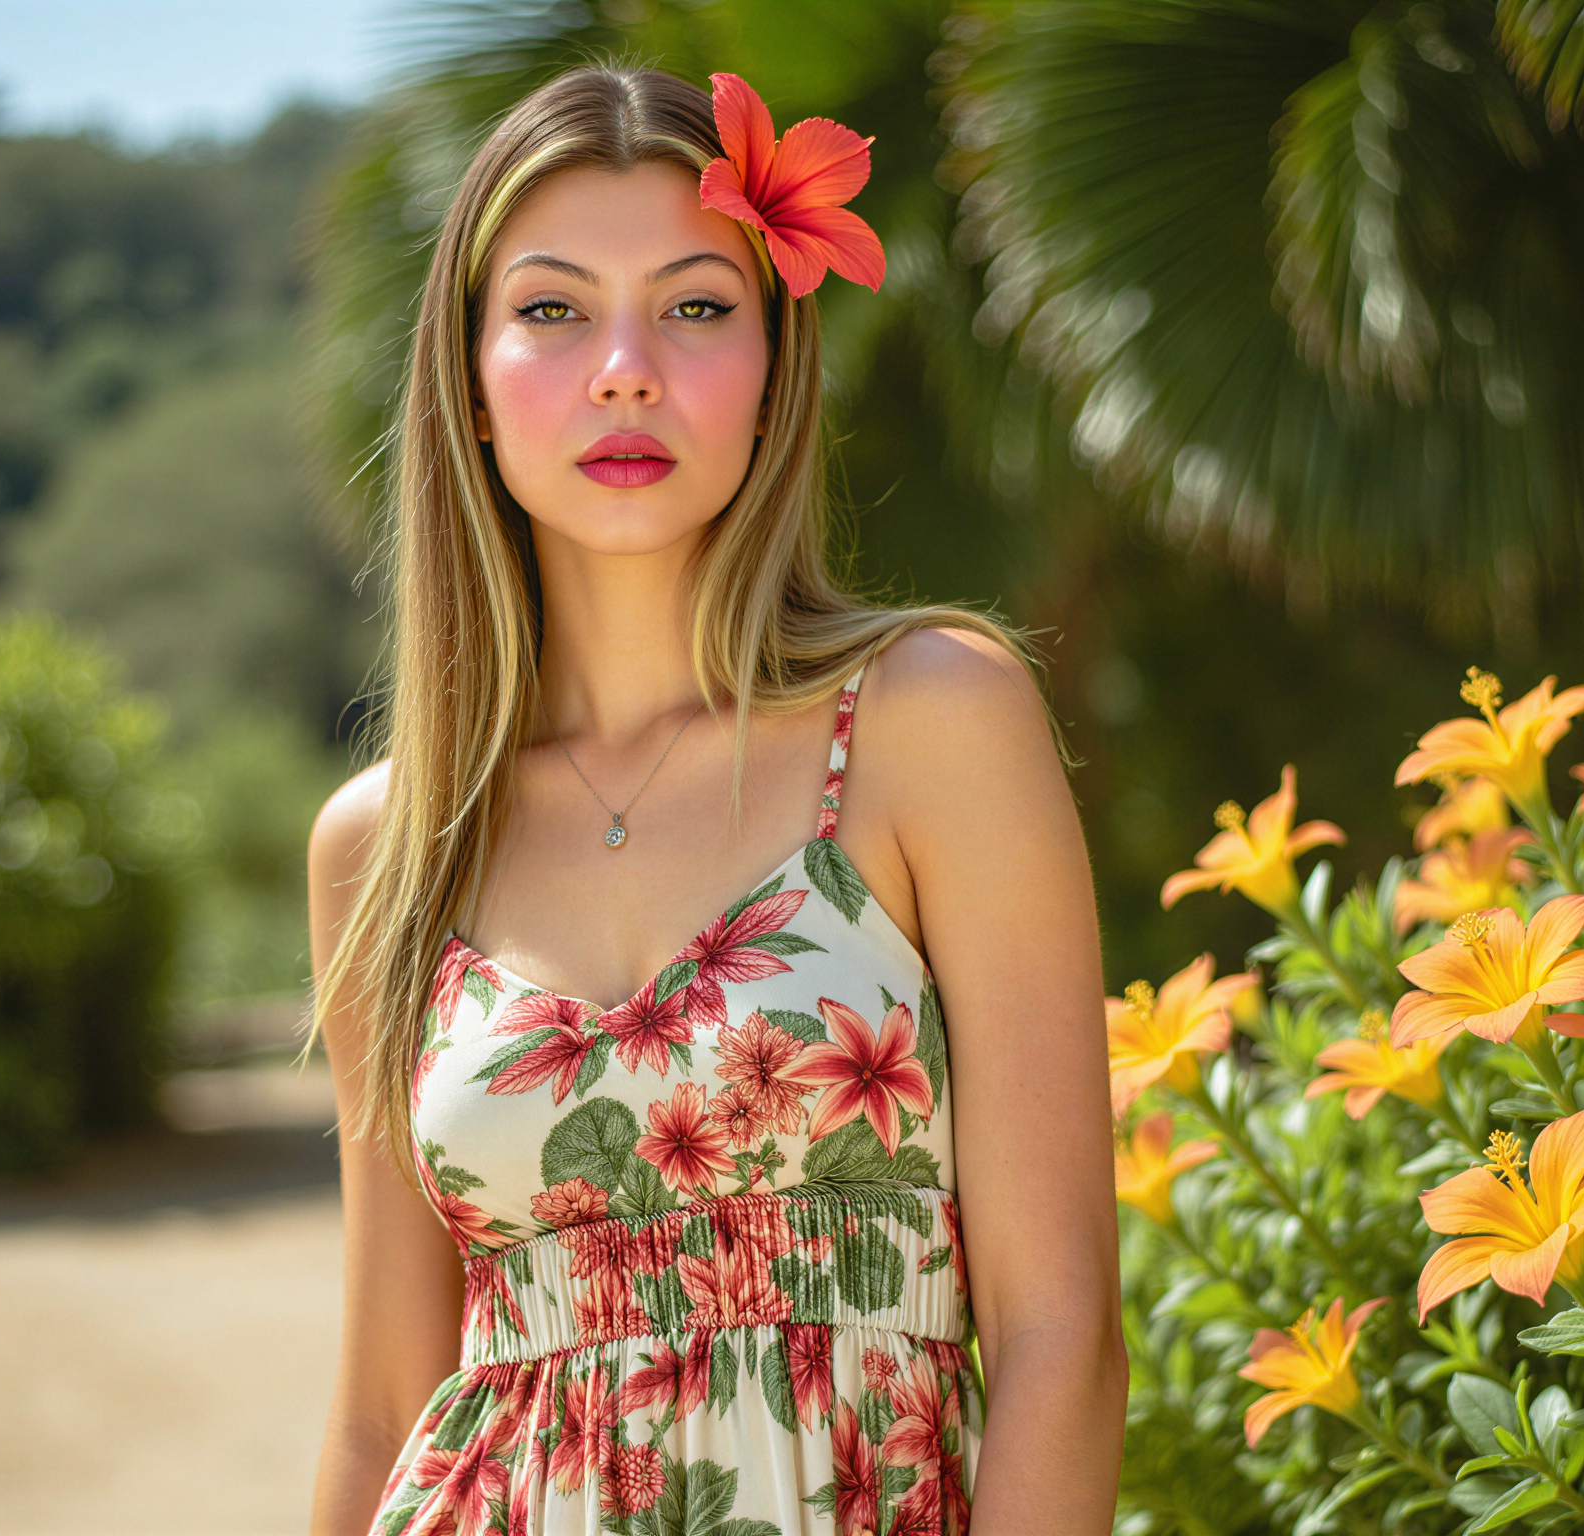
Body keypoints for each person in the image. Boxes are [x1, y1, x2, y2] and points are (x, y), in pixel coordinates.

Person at [303, 61, 1123, 1536]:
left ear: (773, 369)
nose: (626, 366)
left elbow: (1063, 1335)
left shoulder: (928, 720)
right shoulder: (386, 843)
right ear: (473, 387)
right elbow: (381, 1402)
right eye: (552, 310)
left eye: (695, 305)